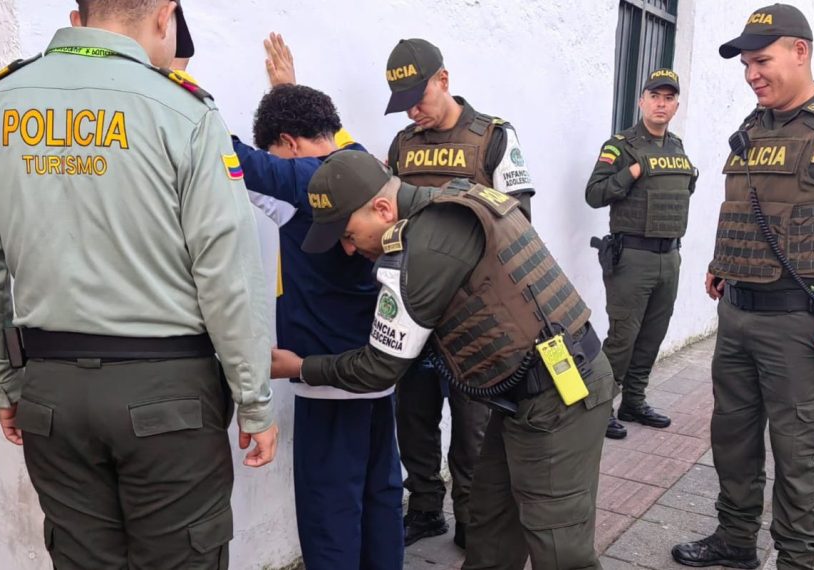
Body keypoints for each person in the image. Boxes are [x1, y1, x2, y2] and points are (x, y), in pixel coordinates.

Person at [0, 2, 276, 567]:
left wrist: (2, 382)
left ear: (79, 16)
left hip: (52, 394)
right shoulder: (183, 111)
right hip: (168, 393)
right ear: (165, 15)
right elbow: (227, 274)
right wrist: (254, 399)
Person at [270, 150, 616, 570]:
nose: (347, 248)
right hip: (526, 395)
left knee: (561, 552)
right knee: (490, 531)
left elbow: (379, 368)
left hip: (559, 395)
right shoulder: (452, 197)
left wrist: (299, 367)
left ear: (382, 209)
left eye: (348, 233)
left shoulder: (425, 245)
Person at [672, 4, 814, 569]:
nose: (752, 74)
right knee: (732, 437)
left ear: (800, 52)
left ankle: (797, 559)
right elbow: (750, 206)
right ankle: (735, 541)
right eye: (746, 65)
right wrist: (724, 261)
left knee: (799, 451)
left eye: (762, 61)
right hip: (737, 314)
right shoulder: (755, 126)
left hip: (802, 323)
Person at [230, 34, 404, 569]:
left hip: (326, 381)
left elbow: (220, 153)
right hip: (376, 373)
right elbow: (331, 144)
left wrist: (170, 72)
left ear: (288, 142)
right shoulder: (362, 164)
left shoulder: (300, 180)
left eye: (278, 150)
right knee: (379, 500)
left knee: (330, 515)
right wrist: (289, 92)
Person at [382, 37, 536, 548]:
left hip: (473, 310)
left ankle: (473, 518)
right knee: (413, 416)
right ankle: (426, 508)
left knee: (474, 427)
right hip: (415, 306)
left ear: (443, 80)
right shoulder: (403, 145)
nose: (413, 111)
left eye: (418, 97)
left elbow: (517, 220)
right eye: (403, 103)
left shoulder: (493, 136)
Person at [585, 68, 697, 440]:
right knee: (623, 338)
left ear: (676, 105)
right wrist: (631, 171)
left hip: (670, 256)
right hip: (632, 256)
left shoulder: (676, 147)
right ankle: (600, 409)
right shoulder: (620, 146)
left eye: (668, 98)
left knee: (652, 336)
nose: (661, 104)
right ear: (641, 101)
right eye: (654, 96)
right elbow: (594, 194)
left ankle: (634, 401)